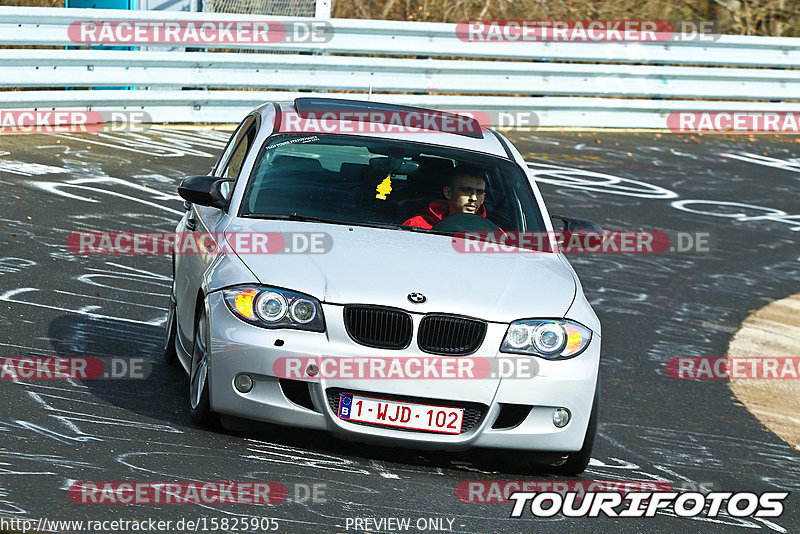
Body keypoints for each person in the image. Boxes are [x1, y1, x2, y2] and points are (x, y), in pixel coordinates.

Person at [402, 165, 490, 229]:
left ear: (483, 198)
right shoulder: (416, 226)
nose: (473, 198)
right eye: (466, 190)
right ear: (448, 193)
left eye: (479, 192)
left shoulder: (495, 235)